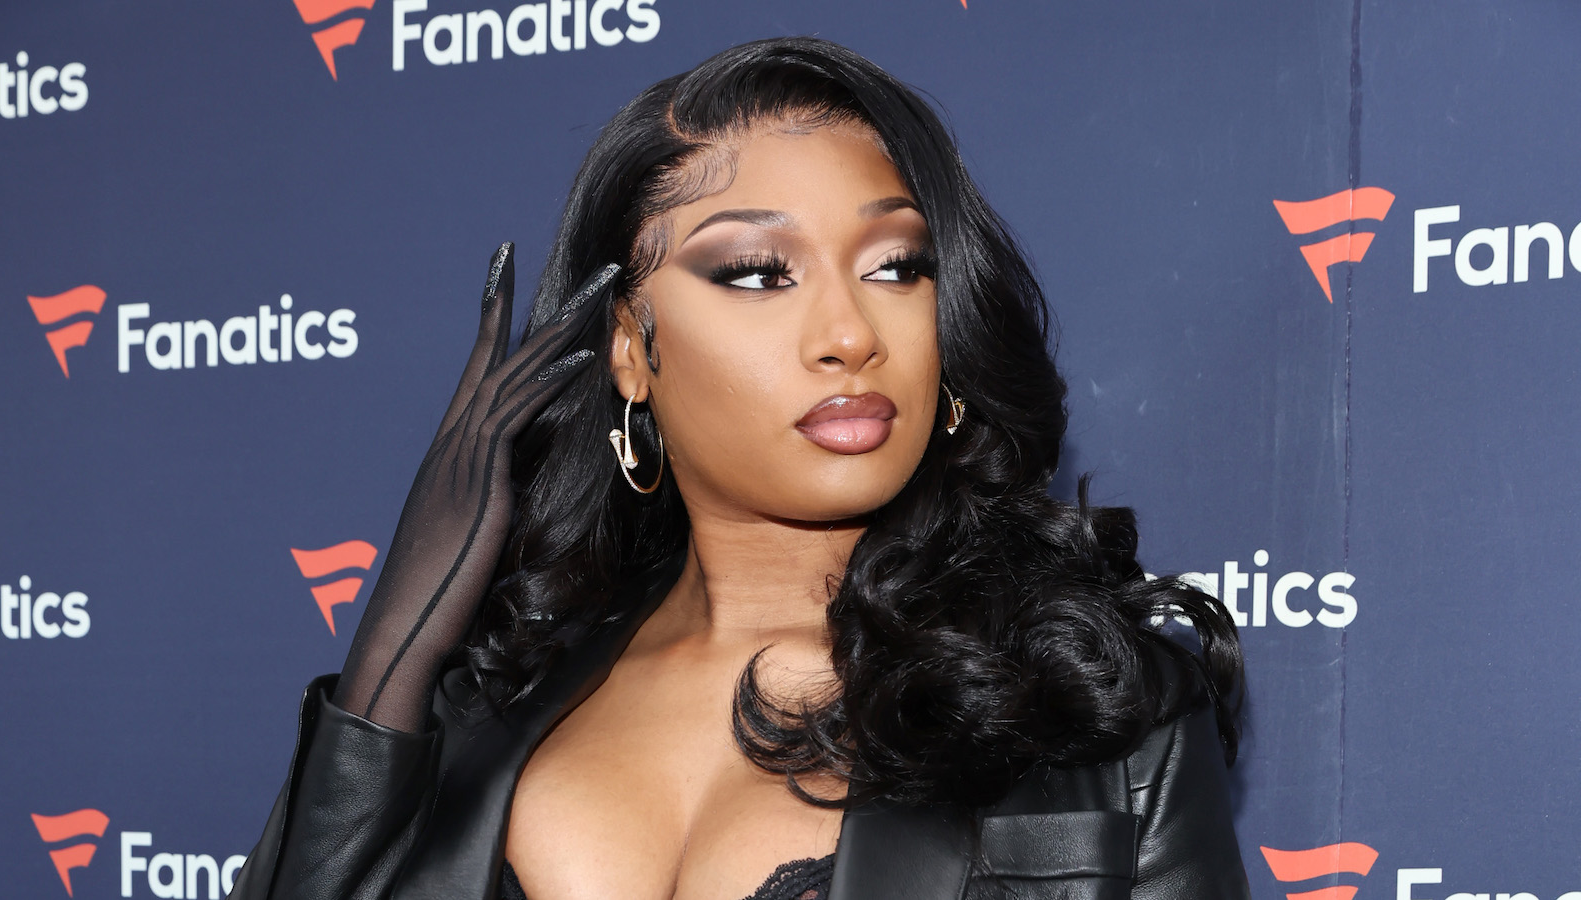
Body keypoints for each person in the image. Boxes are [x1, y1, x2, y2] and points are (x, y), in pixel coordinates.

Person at [228, 36, 1250, 900]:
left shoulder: (1096, 708)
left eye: (896, 266)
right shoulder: (486, 704)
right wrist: (388, 668)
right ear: (629, 347)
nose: (849, 334)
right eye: (759, 273)